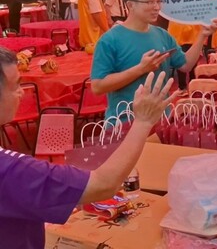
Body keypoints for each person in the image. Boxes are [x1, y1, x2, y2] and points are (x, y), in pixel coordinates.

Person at [0, 45, 175, 249]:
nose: (21, 93)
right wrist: (144, 121)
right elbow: (103, 184)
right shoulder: (11, 171)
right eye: (16, 86)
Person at [91, 0, 217, 120]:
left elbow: (186, 64)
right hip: (124, 123)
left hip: (161, 121)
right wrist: (141, 69)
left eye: (159, 1)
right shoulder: (110, 40)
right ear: (130, 5)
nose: (156, 7)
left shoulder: (162, 35)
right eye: (150, 2)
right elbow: (97, 86)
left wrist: (202, 35)